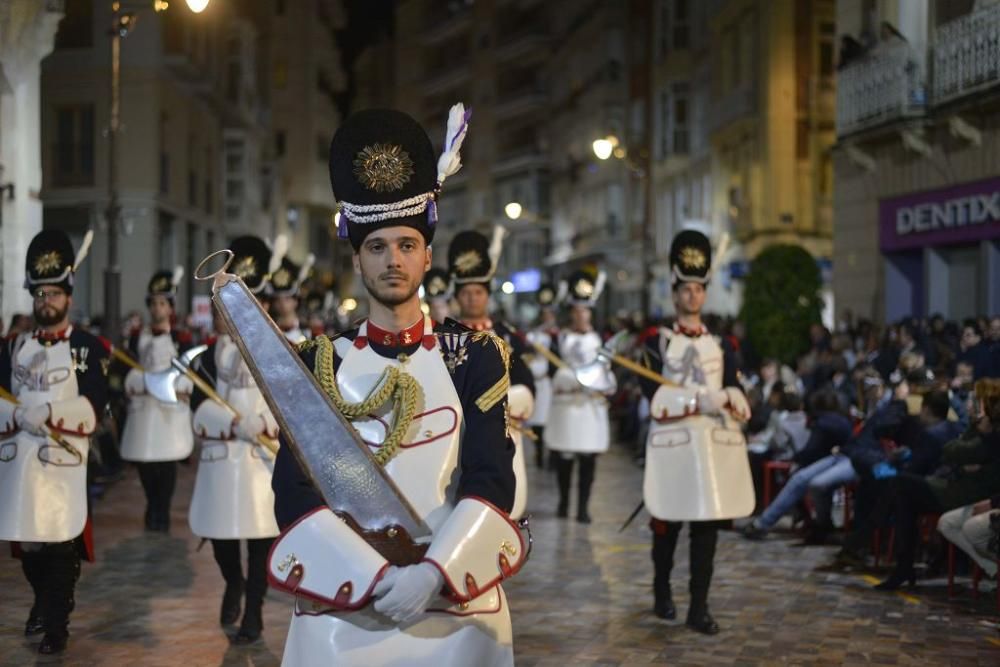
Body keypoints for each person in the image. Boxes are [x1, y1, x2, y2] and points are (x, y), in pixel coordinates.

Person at [269, 105, 526, 666]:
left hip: (452, 606)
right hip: (346, 607)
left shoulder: (474, 356)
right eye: (377, 247)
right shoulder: (318, 362)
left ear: (428, 256)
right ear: (358, 260)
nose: (393, 261)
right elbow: (293, 492)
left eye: (407, 245)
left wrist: (433, 574)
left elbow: (490, 476)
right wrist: (374, 575)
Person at [636, 229, 753, 635]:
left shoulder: (724, 342)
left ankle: (699, 605)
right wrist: (697, 401)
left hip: (711, 446)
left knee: (706, 527)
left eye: (698, 289)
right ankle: (662, 590)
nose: (692, 296)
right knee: (667, 524)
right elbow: (652, 396)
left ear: (705, 292)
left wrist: (735, 397)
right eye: (685, 288)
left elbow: (734, 384)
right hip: (671, 444)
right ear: (674, 291)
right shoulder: (655, 340)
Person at [0, 229, 109, 654]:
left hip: (66, 463)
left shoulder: (87, 346)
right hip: (22, 461)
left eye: (53, 293)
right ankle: (44, 602)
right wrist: (15, 413)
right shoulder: (11, 349)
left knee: (61, 542)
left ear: (68, 294)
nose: (46, 301)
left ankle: (56, 622)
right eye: (39, 293)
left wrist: (50, 413)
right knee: (29, 545)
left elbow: (97, 403)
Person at [188, 236, 283, 643]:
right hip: (221, 462)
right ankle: (233, 581)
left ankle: (255, 613)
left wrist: (263, 422)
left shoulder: (277, 350)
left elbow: (291, 404)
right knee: (222, 537)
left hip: (262, 462)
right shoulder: (206, 358)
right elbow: (197, 409)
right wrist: (230, 425)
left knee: (261, 539)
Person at [874, 378, 1000, 590]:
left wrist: (975, 436)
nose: (969, 406)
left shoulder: (992, 436)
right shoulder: (981, 430)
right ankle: (902, 566)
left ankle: (877, 533)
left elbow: (953, 451)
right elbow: (953, 453)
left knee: (899, 483)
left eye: (975, 402)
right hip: (955, 485)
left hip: (967, 493)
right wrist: (974, 433)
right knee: (903, 496)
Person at [449, 227, 535, 519]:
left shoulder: (506, 338)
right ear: (457, 297)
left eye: (478, 292)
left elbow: (526, 384)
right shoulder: (444, 336)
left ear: (487, 295)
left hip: (499, 435)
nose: (472, 299)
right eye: (466, 293)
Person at [119, 267, 194, 532]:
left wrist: (173, 385)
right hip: (144, 409)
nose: (157, 308)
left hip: (168, 410)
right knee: (146, 463)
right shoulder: (139, 337)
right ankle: (153, 505)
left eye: (162, 303)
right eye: (153, 303)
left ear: (170, 307)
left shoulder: (180, 338)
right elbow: (128, 368)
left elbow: (188, 371)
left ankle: (161, 510)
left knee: (166, 463)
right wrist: (139, 381)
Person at [546, 268, 616, 524]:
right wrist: (572, 379)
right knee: (565, 460)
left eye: (584, 311)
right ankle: (564, 501)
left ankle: (583, 507)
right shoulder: (560, 339)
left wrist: (600, 383)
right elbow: (553, 370)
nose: (580, 315)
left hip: (590, 407)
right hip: (567, 405)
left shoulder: (601, 341)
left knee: (588, 460)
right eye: (576, 311)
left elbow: (607, 372)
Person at [525, 284, 558, 468]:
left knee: (551, 420)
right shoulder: (533, 333)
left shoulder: (557, 335)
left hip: (549, 382)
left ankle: (552, 455)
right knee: (537, 421)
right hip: (536, 382)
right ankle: (539, 454)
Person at [269, 248, 313, 345]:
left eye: (287, 299)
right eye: (278, 299)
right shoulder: (268, 330)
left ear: (296, 301)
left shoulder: (308, 331)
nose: (282, 304)